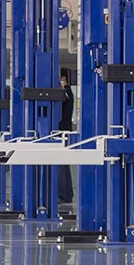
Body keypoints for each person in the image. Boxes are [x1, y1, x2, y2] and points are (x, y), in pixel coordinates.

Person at [58, 70, 75, 205]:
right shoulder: (67, 92)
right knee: (62, 164)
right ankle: (65, 194)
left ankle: (64, 195)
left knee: (61, 164)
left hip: (61, 133)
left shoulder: (67, 92)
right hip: (63, 131)